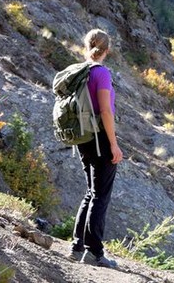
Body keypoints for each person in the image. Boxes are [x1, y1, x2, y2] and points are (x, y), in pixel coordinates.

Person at [68, 29, 123, 268]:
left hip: (83, 138)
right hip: (100, 138)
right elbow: (106, 111)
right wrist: (114, 144)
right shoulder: (100, 73)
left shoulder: (80, 72)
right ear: (107, 50)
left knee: (91, 192)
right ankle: (94, 252)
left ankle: (77, 246)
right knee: (100, 196)